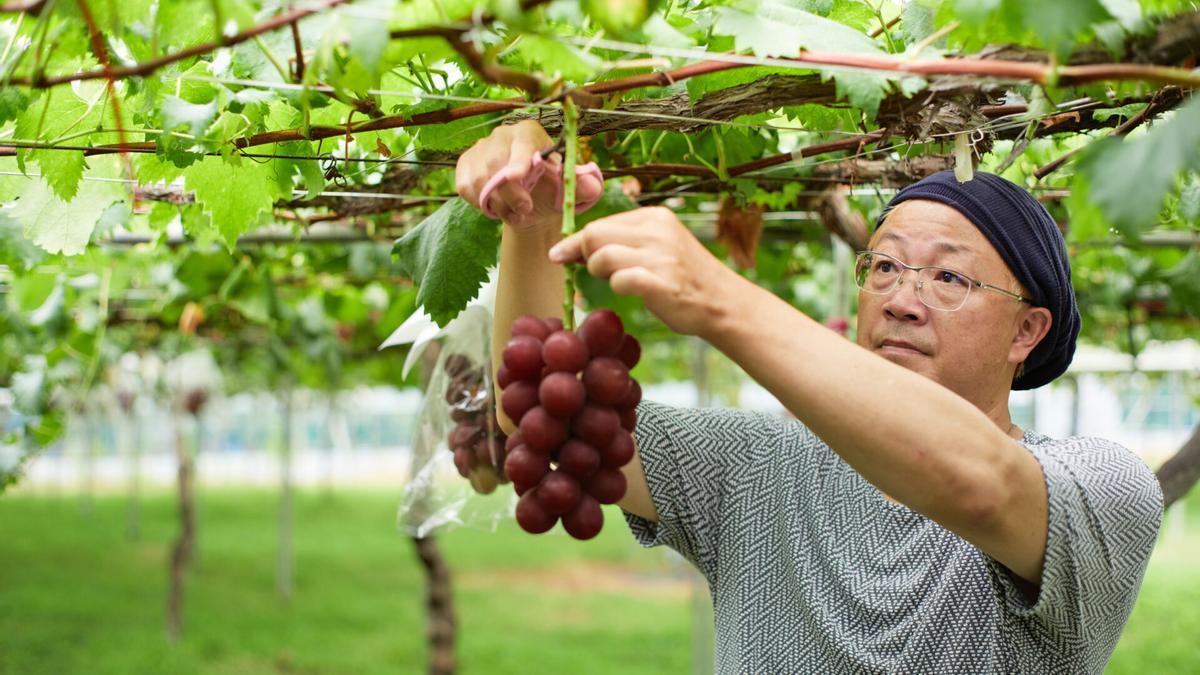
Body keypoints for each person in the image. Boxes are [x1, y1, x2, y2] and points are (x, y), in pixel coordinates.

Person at [455, 119, 1163, 673]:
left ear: (1027, 331)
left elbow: (979, 485)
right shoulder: (759, 463)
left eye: (948, 279)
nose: (901, 300)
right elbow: (549, 414)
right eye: (882, 266)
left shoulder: (1103, 489)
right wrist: (532, 223)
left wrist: (720, 301)